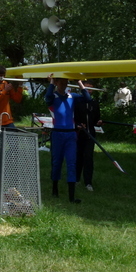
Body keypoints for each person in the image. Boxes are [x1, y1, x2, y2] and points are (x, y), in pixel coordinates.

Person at [45, 73, 91, 204]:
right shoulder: (53, 96)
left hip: (71, 134)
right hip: (57, 133)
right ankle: (55, 189)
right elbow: (48, 98)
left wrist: (80, 83)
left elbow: (88, 99)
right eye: (61, 82)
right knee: (56, 162)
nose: (64, 84)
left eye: (66, 82)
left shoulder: (72, 96)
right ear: (58, 83)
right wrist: (52, 82)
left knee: (72, 162)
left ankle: (72, 197)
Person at [74, 81, 101, 192]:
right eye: (87, 88)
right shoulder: (77, 102)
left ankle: (88, 182)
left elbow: (96, 119)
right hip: (79, 134)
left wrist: (98, 122)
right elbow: (73, 118)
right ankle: (76, 179)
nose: (89, 91)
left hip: (90, 135)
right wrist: (78, 126)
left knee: (88, 158)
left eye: (91, 89)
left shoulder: (94, 103)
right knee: (78, 157)